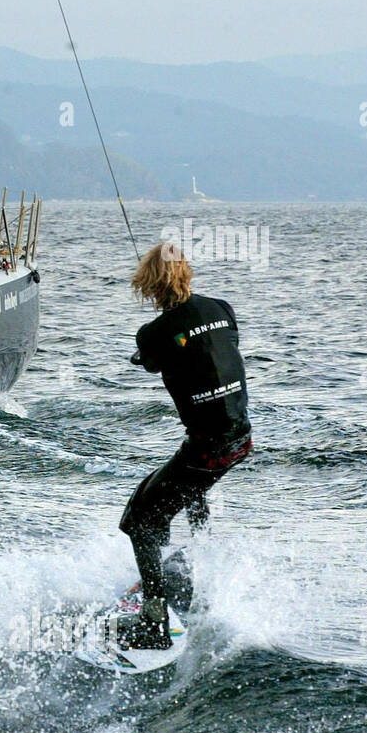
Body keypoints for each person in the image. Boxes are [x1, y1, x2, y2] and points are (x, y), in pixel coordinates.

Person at [114, 242, 253, 650]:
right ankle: (200, 566)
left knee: (140, 518)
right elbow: (214, 347)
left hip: (209, 447)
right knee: (190, 486)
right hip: (241, 439)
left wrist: (152, 350)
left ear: (149, 284)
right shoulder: (222, 308)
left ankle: (153, 621)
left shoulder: (152, 333)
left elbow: (154, 360)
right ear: (186, 273)